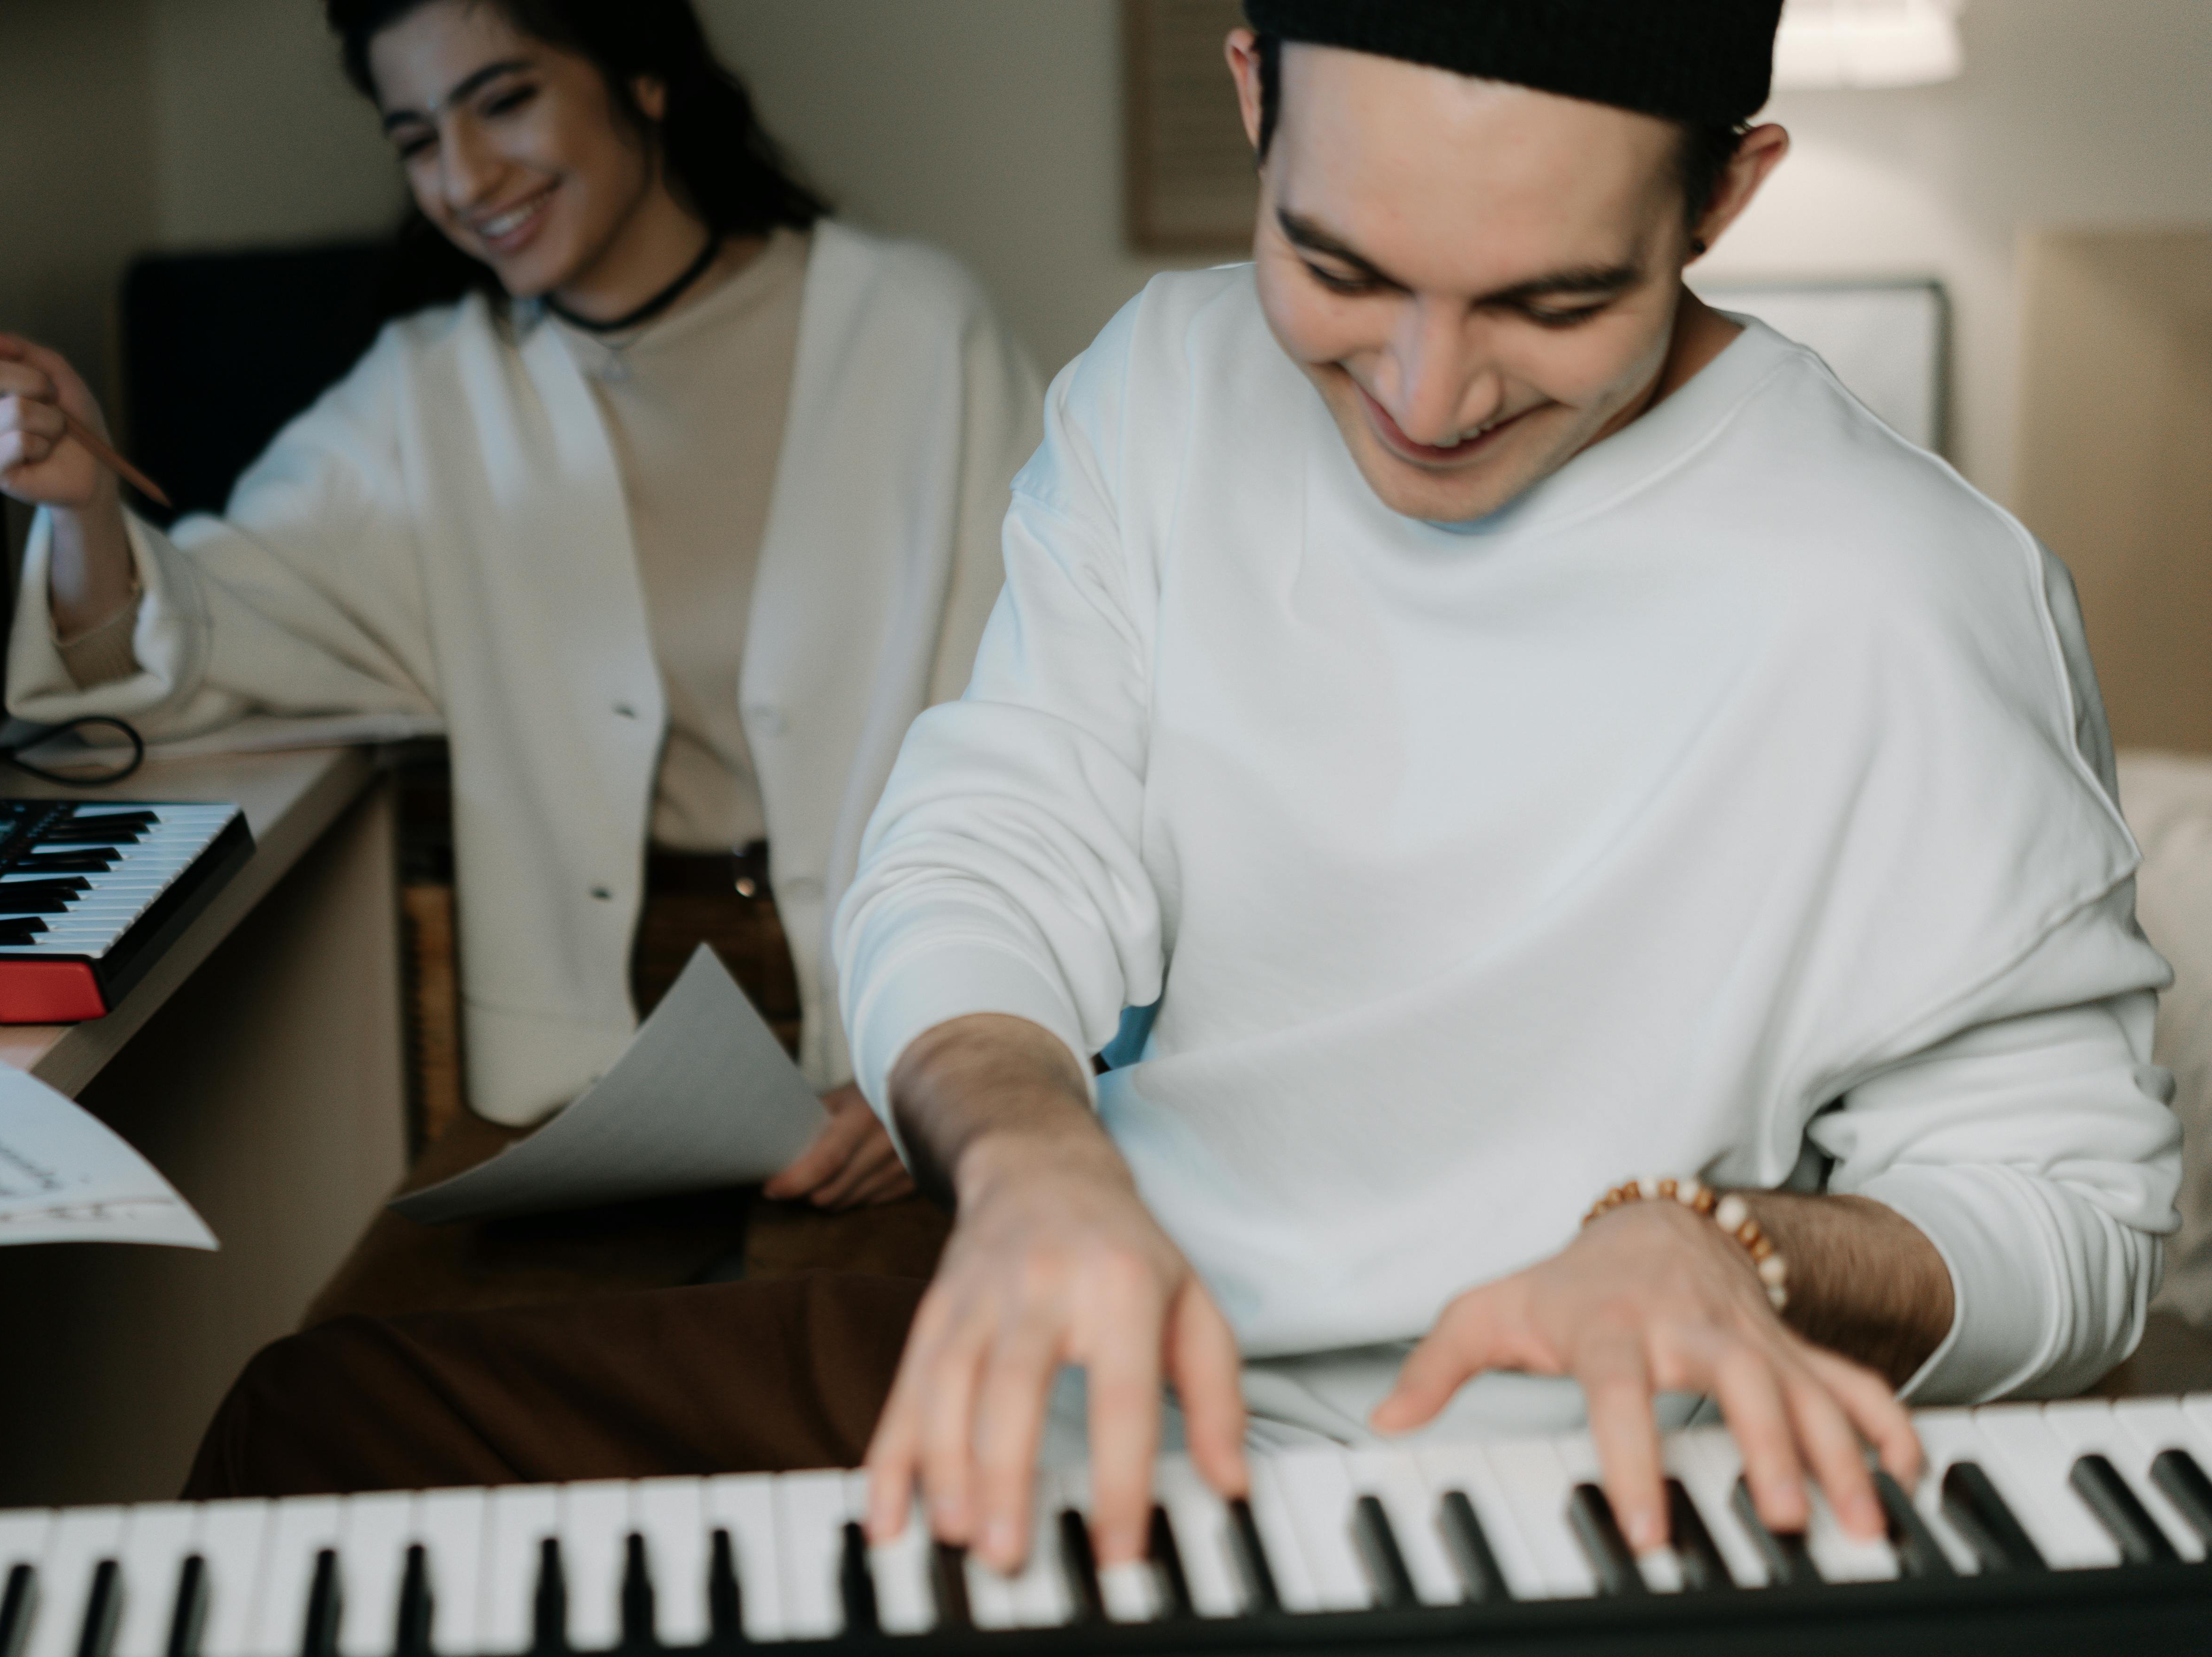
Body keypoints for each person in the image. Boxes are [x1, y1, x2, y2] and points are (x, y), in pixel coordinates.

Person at [182, 0, 2179, 1582]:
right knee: (315, 1432)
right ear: (1252, 93)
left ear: (1724, 194)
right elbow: (996, 839)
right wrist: (1033, 1158)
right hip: (1092, 1364)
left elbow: (2073, 1226)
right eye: (1335, 265)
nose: (1420, 395)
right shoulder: (1160, 386)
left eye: (1551, 304)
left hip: (1552, 1501)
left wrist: (1733, 1243)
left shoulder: (1907, 598)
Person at [0, 0, 1042, 1295]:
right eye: (416, 136)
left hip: (900, 1002)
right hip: (598, 1061)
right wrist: (80, 505)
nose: (464, 177)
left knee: (839, 1387)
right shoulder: (427, 394)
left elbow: (1033, 745)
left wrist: (941, 1049)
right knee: (333, 1395)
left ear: (646, 75)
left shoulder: (913, 331)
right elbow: (187, 648)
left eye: (503, 100)